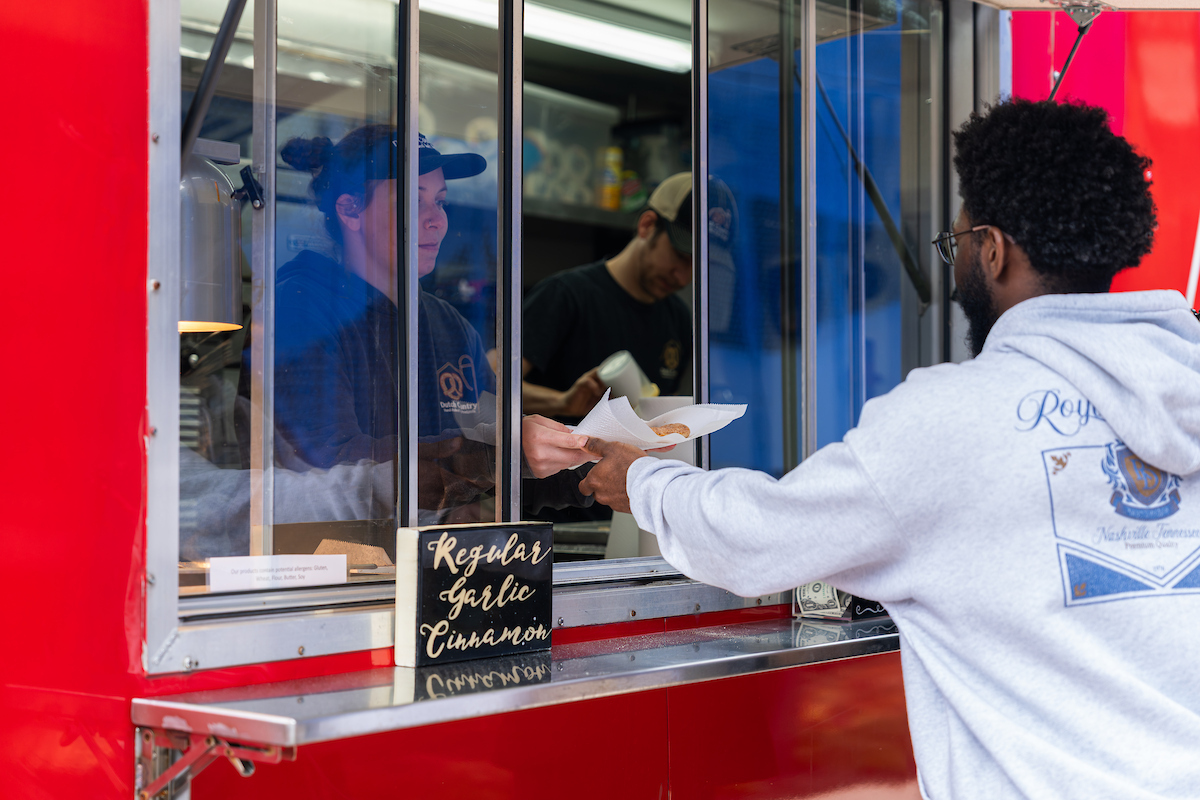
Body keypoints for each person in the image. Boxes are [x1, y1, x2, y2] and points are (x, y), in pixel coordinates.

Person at [579, 99, 1200, 798]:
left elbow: (757, 539)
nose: (959, 254)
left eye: (957, 239)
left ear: (992, 250)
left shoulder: (950, 420)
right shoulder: (1187, 391)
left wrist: (645, 482)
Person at [235, 125, 588, 526]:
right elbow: (331, 464)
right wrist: (496, 456)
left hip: (446, 567)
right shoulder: (299, 309)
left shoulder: (448, 325)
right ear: (350, 210)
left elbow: (497, 457)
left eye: (440, 202)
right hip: (339, 571)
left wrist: (598, 464)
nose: (437, 221)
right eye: (413, 201)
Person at [520, 172, 732, 420]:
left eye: (698, 267)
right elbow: (490, 385)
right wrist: (562, 402)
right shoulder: (565, 295)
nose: (683, 278)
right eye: (681, 257)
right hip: (562, 457)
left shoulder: (679, 320)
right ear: (647, 226)